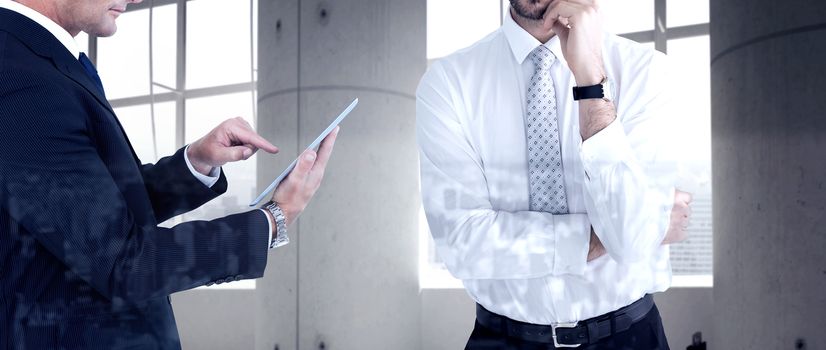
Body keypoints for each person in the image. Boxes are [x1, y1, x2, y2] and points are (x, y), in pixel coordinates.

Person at [0, 0, 338, 348]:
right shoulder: (18, 73)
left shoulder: (39, 60)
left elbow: (95, 214)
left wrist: (195, 163)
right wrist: (273, 219)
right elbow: (121, 263)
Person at [416, 0, 692, 348]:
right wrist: (603, 236)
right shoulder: (448, 83)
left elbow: (631, 239)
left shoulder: (646, 72)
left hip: (628, 336)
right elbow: (464, 244)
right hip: (502, 338)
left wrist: (591, 80)